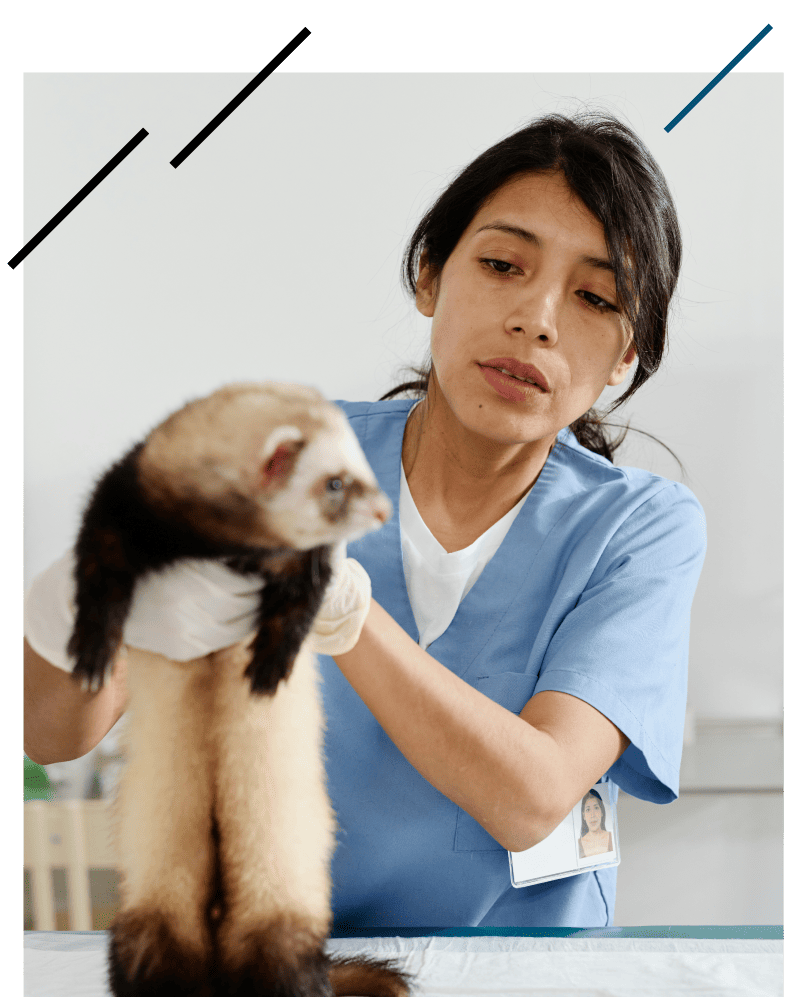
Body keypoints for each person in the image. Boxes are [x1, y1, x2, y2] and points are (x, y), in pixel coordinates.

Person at [24, 109, 707, 929]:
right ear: (429, 275)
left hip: (530, 973)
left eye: (595, 297)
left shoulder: (640, 530)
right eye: (500, 264)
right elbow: (52, 734)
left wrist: (340, 609)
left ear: (627, 357)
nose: (539, 319)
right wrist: (80, 601)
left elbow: (533, 800)